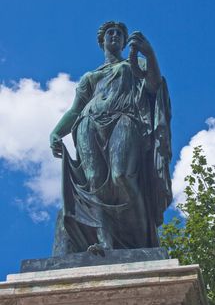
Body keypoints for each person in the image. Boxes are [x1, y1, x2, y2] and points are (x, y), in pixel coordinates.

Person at [50, 21, 172, 255]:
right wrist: (57, 131)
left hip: (125, 118)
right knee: (94, 181)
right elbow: (76, 110)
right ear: (102, 40)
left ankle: (143, 242)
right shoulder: (90, 76)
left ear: (125, 42)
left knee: (122, 176)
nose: (114, 36)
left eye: (119, 33)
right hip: (88, 123)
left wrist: (150, 53)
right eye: (110, 33)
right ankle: (104, 243)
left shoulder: (134, 64)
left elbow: (154, 85)